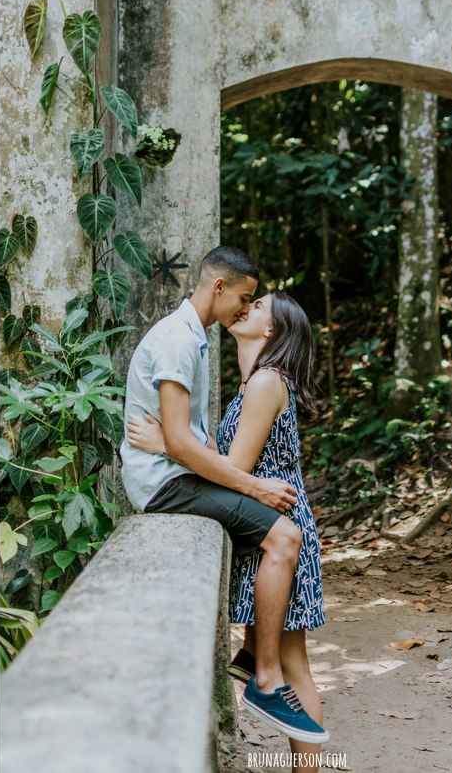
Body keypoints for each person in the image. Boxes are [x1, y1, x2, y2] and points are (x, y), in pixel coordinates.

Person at [119, 246, 327, 746]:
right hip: (231, 497)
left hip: (272, 505)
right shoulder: (191, 346)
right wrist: (175, 444)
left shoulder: (252, 377)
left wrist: (174, 444)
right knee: (289, 652)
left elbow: (212, 453)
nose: (246, 307)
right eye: (246, 298)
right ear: (220, 288)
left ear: (271, 332)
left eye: (256, 304)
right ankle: (259, 666)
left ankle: (265, 677)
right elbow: (202, 446)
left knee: (295, 662)